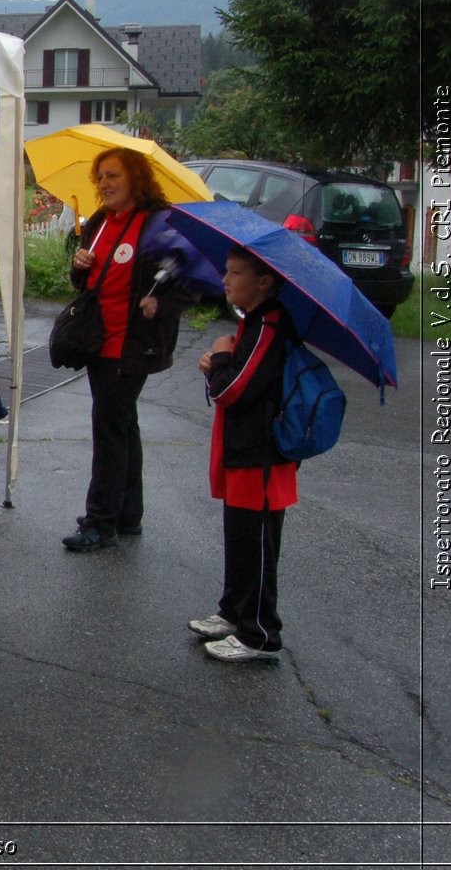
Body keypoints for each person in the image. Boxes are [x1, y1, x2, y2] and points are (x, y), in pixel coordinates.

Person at [61, 146, 203, 552]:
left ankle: (100, 522)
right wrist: (80, 265)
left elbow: (187, 283)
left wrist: (160, 302)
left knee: (109, 428)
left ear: (135, 179)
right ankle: (127, 514)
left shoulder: (159, 224)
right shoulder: (101, 223)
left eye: (113, 176)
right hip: (97, 340)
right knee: (122, 425)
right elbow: (84, 283)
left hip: (132, 346)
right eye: (101, 176)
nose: (104, 184)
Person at [192, 247, 296, 662]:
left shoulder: (270, 324)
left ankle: (260, 633)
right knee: (239, 536)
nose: (226, 280)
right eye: (227, 271)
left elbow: (231, 390)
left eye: (236, 273)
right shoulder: (253, 323)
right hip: (244, 449)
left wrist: (219, 356)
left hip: (262, 455)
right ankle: (234, 612)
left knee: (256, 544)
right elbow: (232, 380)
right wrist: (220, 360)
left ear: (264, 282)